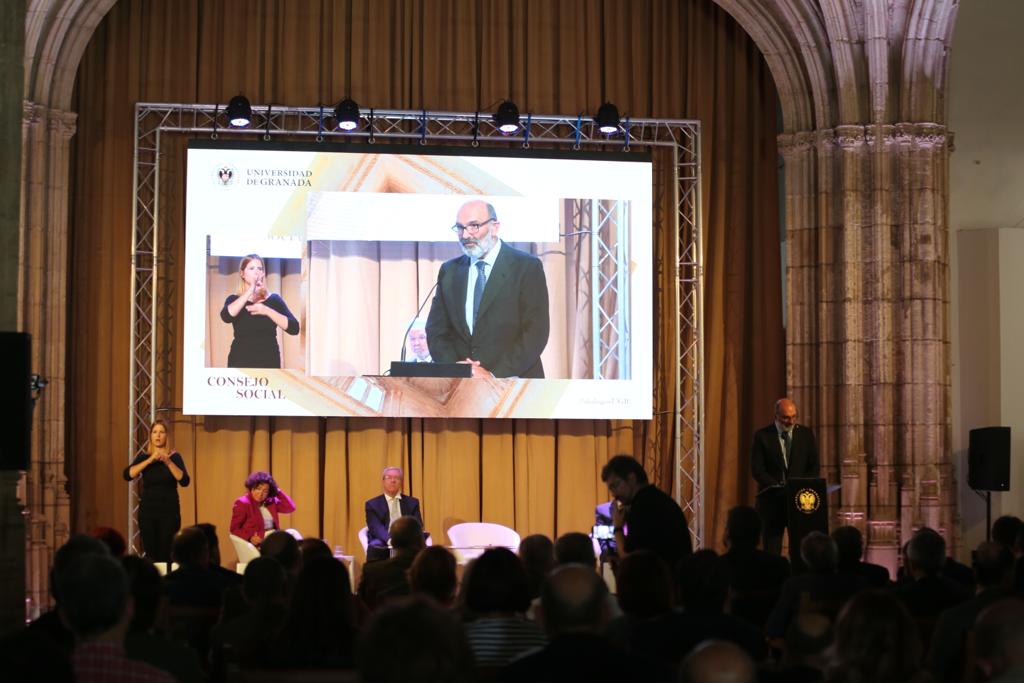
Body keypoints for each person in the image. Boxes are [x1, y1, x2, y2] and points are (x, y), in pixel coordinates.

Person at [425, 199, 550, 378]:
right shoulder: (450, 271)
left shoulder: (526, 267)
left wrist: (492, 375)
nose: (466, 235)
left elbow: (535, 333)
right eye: (460, 228)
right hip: (461, 386)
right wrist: (455, 367)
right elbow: (436, 331)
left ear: (495, 227)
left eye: (474, 226)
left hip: (515, 383)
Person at [750, 397, 820, 555]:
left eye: (794, 417)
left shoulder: (806, 434)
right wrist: (777, 486)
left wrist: (801, 485)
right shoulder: (762, 436)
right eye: (786, 417)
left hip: (799, 502)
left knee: (800, 550)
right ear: (776, 416)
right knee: (771, 551)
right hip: (772, 503)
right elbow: (757, 469)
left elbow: (814, 465)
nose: (791, 421)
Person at [600, 454, 692, 570]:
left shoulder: (642, 507)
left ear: (632, 479)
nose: (613, 494)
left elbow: (631, 562)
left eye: (615, 486)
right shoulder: (656, 499)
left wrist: (617, 527)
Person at [122, 420, 190, 562]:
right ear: (150, 436)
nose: (158, 436)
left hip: (169, 512)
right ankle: (153, 583)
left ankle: (166, 583)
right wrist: (149, 460)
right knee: (151, 554)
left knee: (166, 554)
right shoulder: (144, 458)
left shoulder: (175, 457)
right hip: (148, 512)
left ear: (166, 436)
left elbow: (184, 481)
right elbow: (128, 475)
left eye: (161, 432)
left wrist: (168, 461)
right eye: (154, 432)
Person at [220, 253, 299, 368]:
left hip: (268, 361)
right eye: (251, 268)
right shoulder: (234, 299)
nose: (256, 272)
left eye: (259, 268)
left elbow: (294, 328)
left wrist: (266, 310)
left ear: (263, 273)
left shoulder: (274, 299)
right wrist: (250, 290)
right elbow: (226, 317)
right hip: (240, 360)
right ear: (242, 273)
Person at [365, 466, 423, 562]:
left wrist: (406, 539)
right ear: (383, 481)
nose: (393, 481)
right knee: (375, 547)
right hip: (383, 539)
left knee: (422, 547)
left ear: (401, 482)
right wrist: (390, 540)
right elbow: (375, 527)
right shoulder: (372, 504)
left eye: (397, 478)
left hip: (407, 539)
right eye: (389, 477)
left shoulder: (412, 502)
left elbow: (417, 524)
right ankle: (375, 575)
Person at [230, 471, 296, 547]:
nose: (261, 494)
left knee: (293, 533)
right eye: (258, 489)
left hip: (274, 537)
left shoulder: (270, 502)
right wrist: (250, 537)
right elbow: (234, 529)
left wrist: (277, 491)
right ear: (252, 488)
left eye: (265, 491)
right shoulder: (242, 503)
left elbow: (290, 508)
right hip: (260, 542)